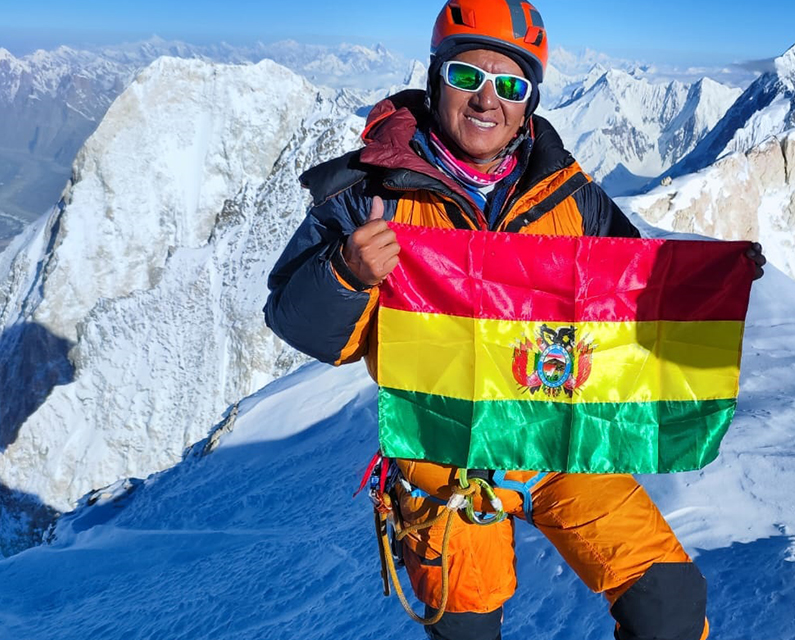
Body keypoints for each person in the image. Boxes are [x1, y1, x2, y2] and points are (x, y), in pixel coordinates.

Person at [265, 1, 763, 638]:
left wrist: (710, 285)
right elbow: (295, 320)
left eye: (510, 85)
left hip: (558, 443)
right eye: (467, 77)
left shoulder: (569, 193)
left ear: (530, 99)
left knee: (669, 601)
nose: (486, 100)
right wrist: (346, 272)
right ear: (436, 77)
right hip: (443, 456)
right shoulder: (365, 194)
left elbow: (633, 297)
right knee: (468, 626)